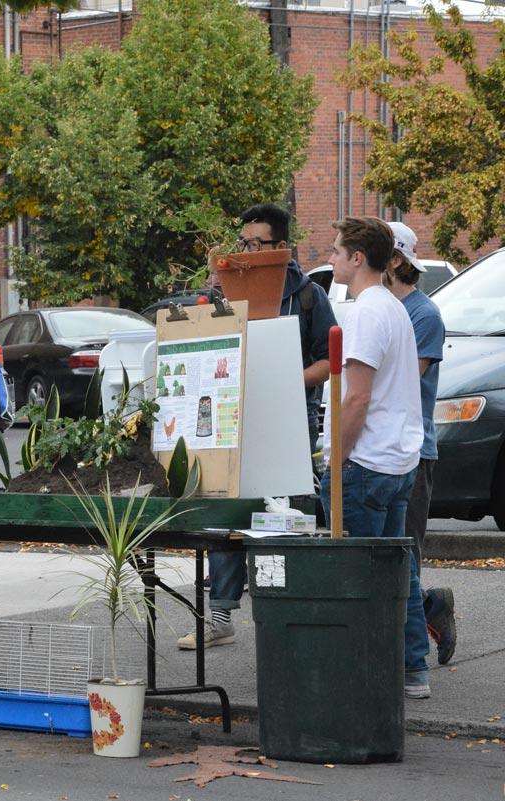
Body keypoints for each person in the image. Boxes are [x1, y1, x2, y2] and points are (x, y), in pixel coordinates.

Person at [180, 202, 337, 649]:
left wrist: (284, 380)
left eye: (256, 243)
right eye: (242, 243)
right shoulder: (228, 290)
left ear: (282, 247)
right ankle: (221, 616)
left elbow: (328, 361)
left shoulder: (309, 296)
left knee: (285, 517)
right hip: (234, 421)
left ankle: (287, 616)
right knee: (229, 513)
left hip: (291, 420)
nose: (247, 251)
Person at [321, 216, 430, 699]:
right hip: (399, 460)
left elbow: (357, 397)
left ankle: (363, 674)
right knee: (396, 573)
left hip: (366, 463)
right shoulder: (395, 308)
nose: (330, 258)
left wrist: (336, 460)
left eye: (336, 251)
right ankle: (411, 669)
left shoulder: (365, 312)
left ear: (357, 258)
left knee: (357, 577)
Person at [383, 221, 456, 666]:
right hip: (380, 451)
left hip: (413, 454)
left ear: (394, 260)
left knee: (403, 556)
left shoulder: (424, 315)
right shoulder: (379, 309)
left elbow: (403, 381)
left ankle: (413, 648)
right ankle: (427, 606)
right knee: (385, 555)